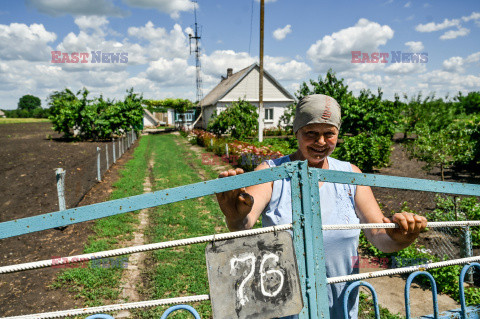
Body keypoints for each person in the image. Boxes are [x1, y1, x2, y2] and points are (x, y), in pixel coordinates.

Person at [216, 94, 428, 319]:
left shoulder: (349, 175)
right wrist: (234, 216)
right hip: (285, 309)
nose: (320, 142)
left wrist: (401, 238)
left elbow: (378, 235)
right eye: (311, 133)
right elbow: (243, 225)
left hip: (340, 307)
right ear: (296, 132)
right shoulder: (272, 174)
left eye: (329, 134)